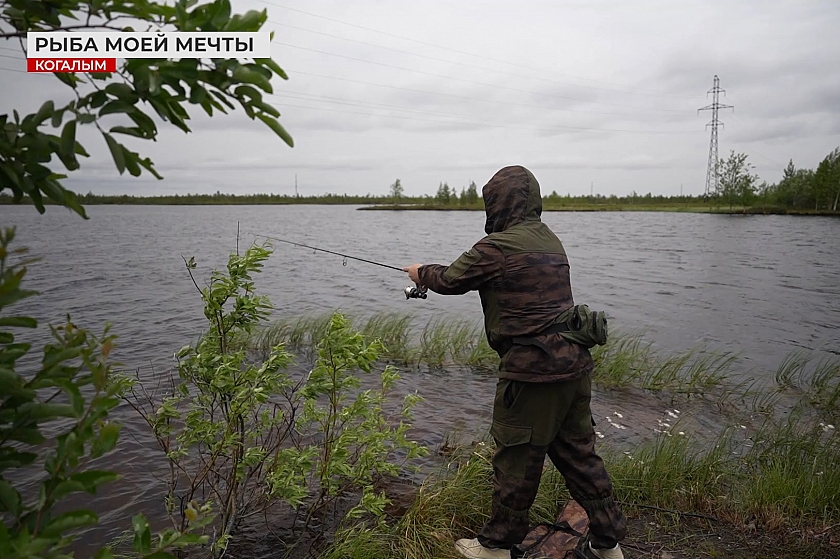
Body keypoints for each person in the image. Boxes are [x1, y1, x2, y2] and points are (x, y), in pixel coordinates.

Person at [403, 166, 627, 559]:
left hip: (532, 373)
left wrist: (421, 272)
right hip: (575, 367)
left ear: (497, 204)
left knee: (516, 460)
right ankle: (608, 543)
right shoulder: (551, 241)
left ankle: (494, 547)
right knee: (580, 454)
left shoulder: (496, 247)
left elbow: (452, 280)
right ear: (533, 200)